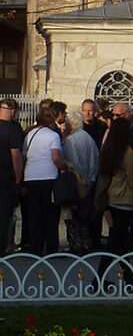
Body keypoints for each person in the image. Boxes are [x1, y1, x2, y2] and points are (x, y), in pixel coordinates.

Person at [20, 106, 65, 255]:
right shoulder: (53, 136)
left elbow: (24, 157)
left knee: (34, 214)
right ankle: (51, 247)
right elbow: (55, 157)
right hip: (49, 177)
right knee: (50, 215)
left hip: (31, 176)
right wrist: (64, 167)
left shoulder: (30, 135)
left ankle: (35, 247)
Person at [97, 112, 133, 255]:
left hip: (112, 197)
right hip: (125, 198)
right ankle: (100, 276)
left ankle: (127, 275)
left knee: (117, 240)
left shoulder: (108, 150)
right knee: (116, 241)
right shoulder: (127, 153)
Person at [62, 108, 99, 254]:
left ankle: (76, 243)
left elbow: (72, 163)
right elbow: (95, 160)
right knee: (85, 215)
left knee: (73, 216)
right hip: (89, 181)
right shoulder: (88, 137)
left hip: (76, 183)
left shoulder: (70, 141)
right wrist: (91, 178)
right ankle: (86, 242)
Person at [0, 97, 24, 257]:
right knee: (4, 214)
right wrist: (18, 179)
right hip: (6, 177)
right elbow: (16, 157)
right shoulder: (13, 129)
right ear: (13, 111)